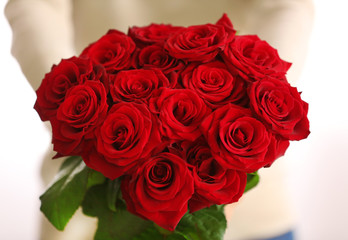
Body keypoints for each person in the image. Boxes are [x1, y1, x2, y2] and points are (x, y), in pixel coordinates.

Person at [5, 0, 314, 239]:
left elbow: (287, 6)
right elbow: (35, 6)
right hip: (96, 187)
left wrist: (260, 118)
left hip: (249, 210)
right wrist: (76, 110)